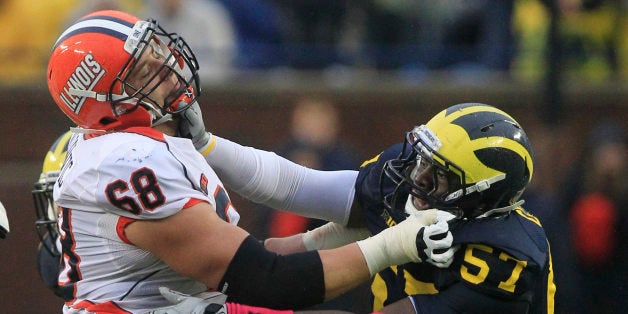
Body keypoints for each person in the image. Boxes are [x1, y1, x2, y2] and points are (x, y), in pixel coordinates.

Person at [44, 10, 455, 313]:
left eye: (156, 51)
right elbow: (266, 280)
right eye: (142, 72)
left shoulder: (154, 139)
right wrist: (393, 246)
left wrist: (325, 237)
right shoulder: (126, 161)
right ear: (104, 106)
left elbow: (284, 193)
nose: (167, 69)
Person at [185, 102, 556, 313]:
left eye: (437, 175)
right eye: (421, 160)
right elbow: (297, 185)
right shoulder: (407, 179)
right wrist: (206, 146)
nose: (417, 177)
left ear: (479, 195)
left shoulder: (505, 256)